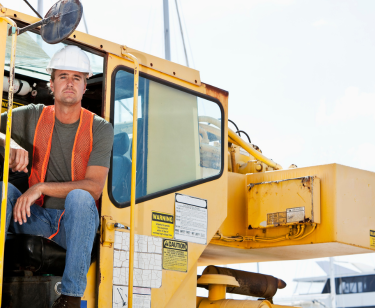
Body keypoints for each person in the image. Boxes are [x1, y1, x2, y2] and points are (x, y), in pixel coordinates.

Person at [0, 45, 114, 308]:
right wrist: (9, 142)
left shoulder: (100, 129)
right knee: (3, 191)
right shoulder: (32, 115)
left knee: (81, 198)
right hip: (32, 217)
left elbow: (94, 187)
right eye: (63, 76)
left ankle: (71, 298)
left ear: (86, 85)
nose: (70, 83)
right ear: (52, 83)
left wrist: (40, 187)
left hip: (73, 227)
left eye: (77, 77)